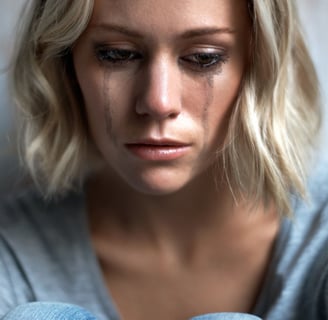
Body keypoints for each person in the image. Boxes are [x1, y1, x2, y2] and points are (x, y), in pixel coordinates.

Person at [0, 0, 326, 319]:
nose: (158, 101)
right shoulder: (12, 253)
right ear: (66, 63)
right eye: (118, 54)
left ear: (260, 63)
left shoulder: (318, 242)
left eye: (203, 58)